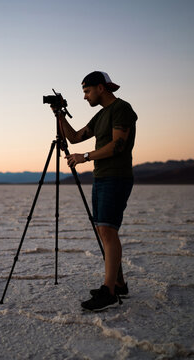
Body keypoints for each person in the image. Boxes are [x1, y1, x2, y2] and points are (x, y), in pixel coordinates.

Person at [55, 71, 137, 311]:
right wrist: (59, 115)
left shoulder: (122, 109)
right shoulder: (100, 116)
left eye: (87, 91)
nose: (84, 97)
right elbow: (74, 136)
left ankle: (109, 292)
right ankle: (118, 283)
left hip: (116, 176)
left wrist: (85, 157)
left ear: (101, 88)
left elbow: (118, 145)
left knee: (108, 231)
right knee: (104, 231)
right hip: (101, 178)